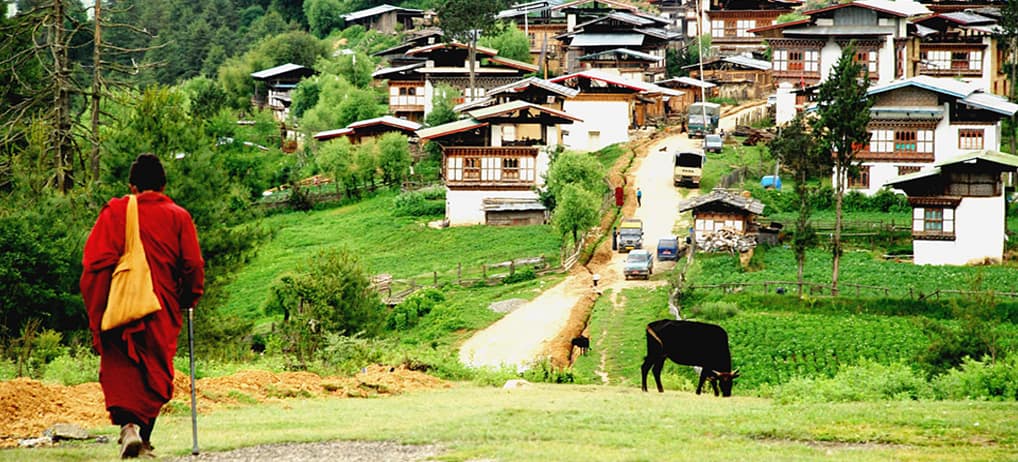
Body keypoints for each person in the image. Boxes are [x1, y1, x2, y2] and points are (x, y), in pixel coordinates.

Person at [81, 154, 205, 459]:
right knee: (155, 373)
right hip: (159, 307)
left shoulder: (115, 213)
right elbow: (192, 264)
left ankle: (128, 428)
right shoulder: (178, 216)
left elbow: (93, 266)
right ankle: (142, 437)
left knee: (122, 371)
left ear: (132, 186)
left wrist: (99, 309)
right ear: (163, 185)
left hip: (118, 306)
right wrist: (189, 297)